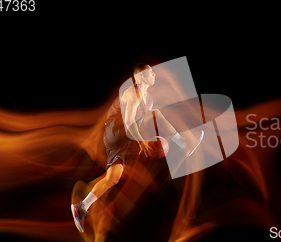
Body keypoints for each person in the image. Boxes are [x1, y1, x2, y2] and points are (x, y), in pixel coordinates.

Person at [71, 63, 191, 233]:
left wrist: (151, 141)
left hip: (121, 141)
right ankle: (182, 142)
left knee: (113, 177)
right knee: (155, 114)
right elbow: (128, 123)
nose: (154, 75)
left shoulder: (147, 98)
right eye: (150, 72)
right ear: (140, 77)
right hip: (115, 130)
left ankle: (81, 207)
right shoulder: (133, 93)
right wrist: (143, 140)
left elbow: (142, 124)